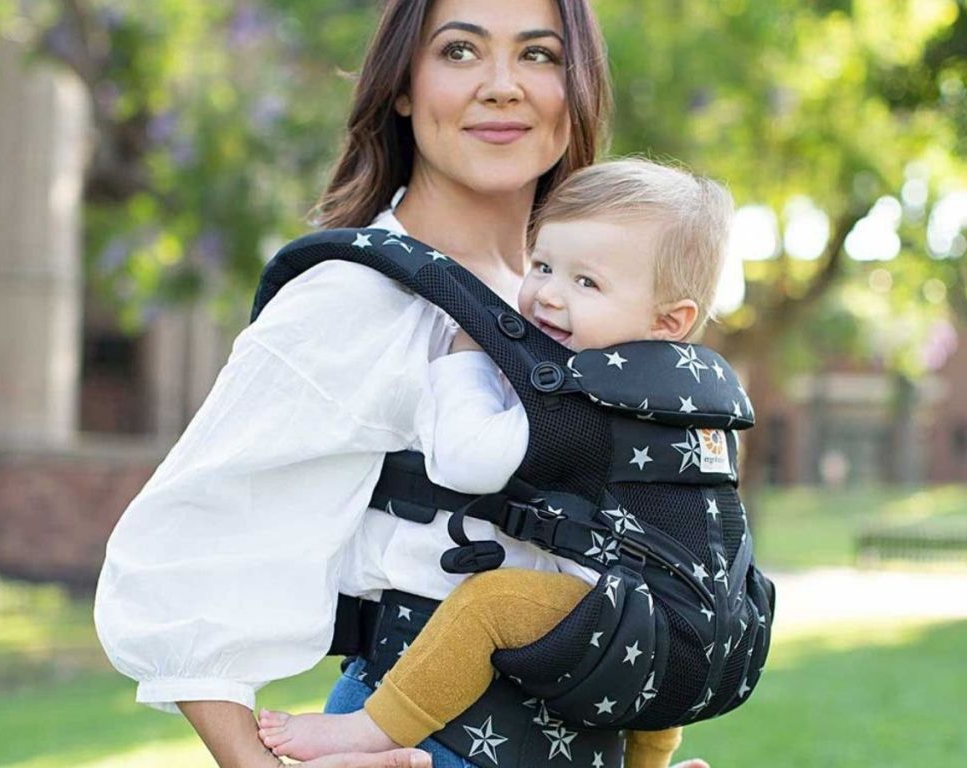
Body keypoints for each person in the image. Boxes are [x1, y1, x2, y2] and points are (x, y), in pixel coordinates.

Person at [93, 1, 707, 767]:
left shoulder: (577, 304)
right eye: (459, 51)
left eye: (540, 56)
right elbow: (180, 548)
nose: (502, 85)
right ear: (404, 88)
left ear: (575, 89)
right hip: (432, 740)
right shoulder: (359, 296)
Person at [255, 158, 733, 768]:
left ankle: (372, 729)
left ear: (668, 323)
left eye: (587, 283)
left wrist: (465, 357)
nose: (548, 294)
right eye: (542, 266)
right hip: (665, 631)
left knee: (490, 604)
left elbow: (470, 462)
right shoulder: (690, 405)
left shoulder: (591, 397)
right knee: (662, 673)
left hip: (605, 614)